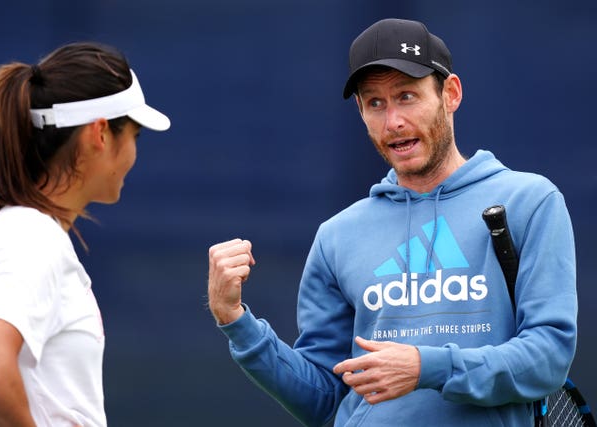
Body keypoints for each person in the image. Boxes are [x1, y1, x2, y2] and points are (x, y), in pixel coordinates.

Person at [207, 18, 577, 426]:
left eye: (406, 96)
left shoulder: (529, 201)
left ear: (450, 93)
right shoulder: (337, 236)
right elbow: (325, 400)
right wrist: (235, 319)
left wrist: (426, 367)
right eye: (375, 103)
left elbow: (548, 357)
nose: (393, 122)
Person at [0, 42, 170, 427]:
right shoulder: (29, 237)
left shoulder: (19, 231)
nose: (135, 154)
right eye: (135, 135)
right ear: (100, 134)